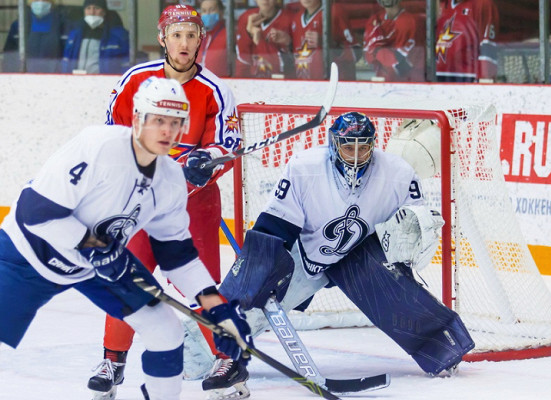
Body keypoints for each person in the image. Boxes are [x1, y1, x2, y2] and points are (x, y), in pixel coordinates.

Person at [0, 76, 252, 400]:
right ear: (137, 119)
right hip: (28, 253)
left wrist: (217, 308)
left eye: (175, 122)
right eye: (158, 120)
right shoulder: (98, 146)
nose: (167, 131)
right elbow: (36, 212)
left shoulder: (171, 180)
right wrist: (93, 246)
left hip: (93, 265)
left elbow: (178, 258)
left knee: (164, 329)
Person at [200, 112, 476, 393]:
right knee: (246, 297)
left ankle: (442, 348)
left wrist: (417, 231)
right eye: (348, 147)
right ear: (334, 145)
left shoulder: (399, 174)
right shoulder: (305, 168)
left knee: (394, 288)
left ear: (373, 145)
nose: (356, 156)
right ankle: (221, 357)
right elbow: (274, 227)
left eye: (363, 147)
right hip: (306, 254)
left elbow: (414, 232)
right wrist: (258, 275)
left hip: (360, 255)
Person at [87, 4, 243, 398]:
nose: (184, 43)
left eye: (191, 35)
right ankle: (112, 360)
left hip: (194, 206)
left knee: (202, 283)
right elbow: (112, 135)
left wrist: (207, 163)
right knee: (126, 278)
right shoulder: (136, 80)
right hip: (141, 204)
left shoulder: (215, 90)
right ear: (163, 39)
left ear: (200, 39)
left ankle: (227, 360)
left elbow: (227, 143)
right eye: (176, 35)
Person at [290, 0, 359, 80]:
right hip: (303, 83)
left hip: (335, 84)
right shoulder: (296, 19)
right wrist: (288, 44)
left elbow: (356, 53)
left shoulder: (334, 12)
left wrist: (327, 43)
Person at [435, 0, 499, 82]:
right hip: (437, 76)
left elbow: (487, 46)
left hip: (467, 77)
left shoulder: (483, 4)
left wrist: (485, 78)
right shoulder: (442, 5)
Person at [60, 0, 129, 74]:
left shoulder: (118, 36)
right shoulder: (74, 35)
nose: (92, 12)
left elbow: (126, 64)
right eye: (88, 8)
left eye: (96, 8)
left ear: (104, 12)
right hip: (76, 78)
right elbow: (66, 61)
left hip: (104, 79)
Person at [363, 0, 424, 82]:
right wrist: (380, 53)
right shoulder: (374, 20)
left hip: (409, 82)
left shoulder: (408, 21)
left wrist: (377, 52)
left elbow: (398, 63)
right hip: (382, 80)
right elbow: (368, 57)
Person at [235, 0, 295, 79]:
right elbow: (243, 59)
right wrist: (248, 34)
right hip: (252, 80)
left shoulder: (290, 19)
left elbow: (294, 62)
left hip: (280, 80)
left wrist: (289, 43)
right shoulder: (245, 18)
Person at [2, 0, 66, 73]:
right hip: (24, 76)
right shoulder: (18, 26)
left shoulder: (62, 25)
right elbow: (9, 57)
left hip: (55, 76)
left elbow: (68, 58)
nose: (40, 2)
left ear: (52, 2)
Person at [196, 0, 230, 77]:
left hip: (221, 81)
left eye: (212, 10)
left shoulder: (228, 35)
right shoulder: (198, 36)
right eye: (204, 11)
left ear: (221, 12)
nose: (207, 13)